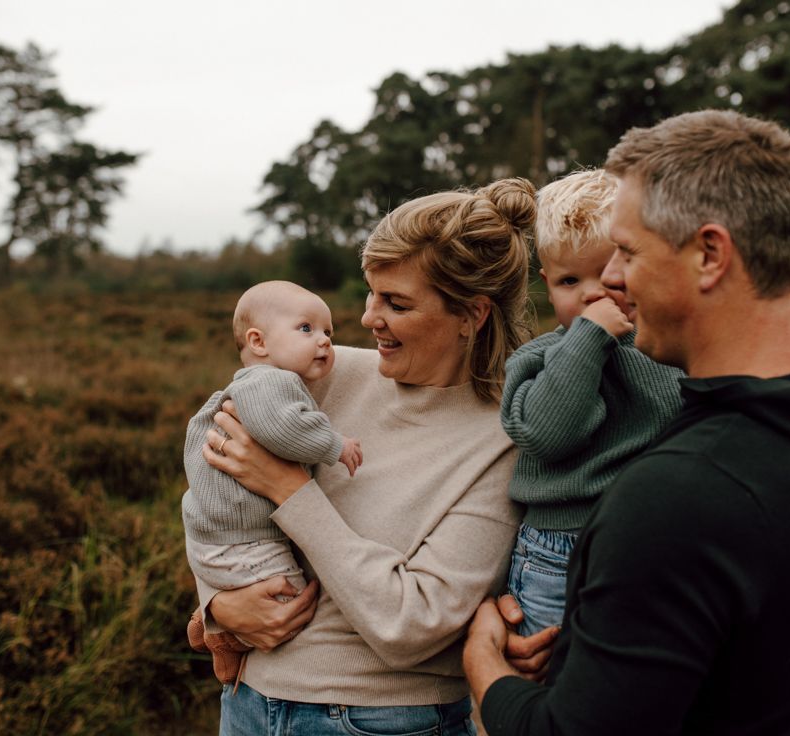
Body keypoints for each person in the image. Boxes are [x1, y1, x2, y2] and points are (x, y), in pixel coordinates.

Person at [464, 110, 790, 735]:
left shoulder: (675, 496)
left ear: (708, 254)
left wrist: (484, 664)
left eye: (627, 250)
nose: (609, 279)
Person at [194, 179, 538, 735]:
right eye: (371, 292)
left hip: (384, 719)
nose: (368, 317)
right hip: (248, 703)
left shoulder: (503, 440)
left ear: (471, 315)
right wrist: (216, 604)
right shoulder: (323, 374)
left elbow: (412, 623)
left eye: (396, 303)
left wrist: (290, 491)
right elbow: (215, 486)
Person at [501, 169, 684, 637]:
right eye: (568, 281)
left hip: (650, 542)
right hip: (556, 556)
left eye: (606, 273)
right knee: (551, 681)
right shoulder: (539, 358)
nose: (591, 293)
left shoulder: (669, 352)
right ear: (546, 281)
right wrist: (589, 337)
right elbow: (545, 435)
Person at [181, 280, 362, 682]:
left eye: (329, 332)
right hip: (247, 536)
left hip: (218, 534)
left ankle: (221, 631)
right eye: (306, 329)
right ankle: (225, 639)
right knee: (290, 598)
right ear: (258, 342)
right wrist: (335, 445)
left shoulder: (247, 384)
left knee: (265, 594)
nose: (325, 341)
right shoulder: (271, 383)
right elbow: (284, 429)